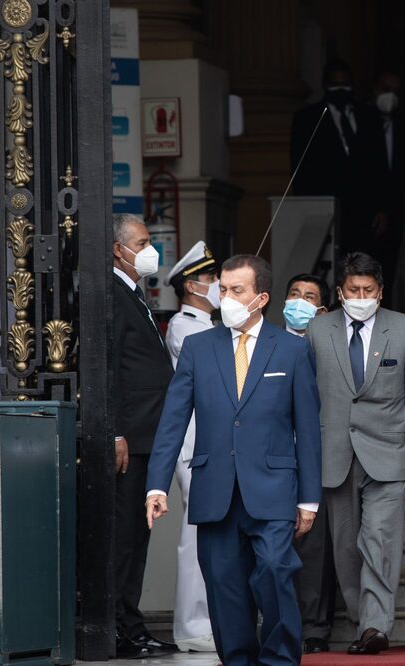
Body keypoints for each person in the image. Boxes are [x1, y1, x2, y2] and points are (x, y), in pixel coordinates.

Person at [145, 254, 322, 666]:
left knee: (277, 570)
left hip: (274, 488)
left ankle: (279, 658)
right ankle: (239, 660)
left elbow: (309, 430)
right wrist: (157, 484)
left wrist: (309, 498)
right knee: (224, 587)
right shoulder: (197, 347)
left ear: (260, 297)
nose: (224, 297)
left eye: (235, 290)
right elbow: (173, 420)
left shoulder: (292, 350)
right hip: (215, 488)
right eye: (222, 288)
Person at [306, 252, 405, 655]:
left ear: (380, 291)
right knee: (346, 548)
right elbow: (304, 398)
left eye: (369, 290)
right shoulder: (317, 329)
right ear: (340, 292)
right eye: (353, 290)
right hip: (334, 454)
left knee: (379, 540)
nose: (361, 296)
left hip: (390, 452)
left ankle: (376, 627)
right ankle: (362, 621)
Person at [110, 213, 178, 659]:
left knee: (140, 536)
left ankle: (132, 626)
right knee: (124, 540)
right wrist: (115, 431)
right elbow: (109, 366)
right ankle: (116, 627)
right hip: (129, 440)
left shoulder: (135, 292)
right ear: (119, 249)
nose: (150, 249)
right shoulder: (113, 294)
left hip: (149, 437)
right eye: (142, 241)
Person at [162, 241, 220, 653]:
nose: (218, 285)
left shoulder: (211, 327)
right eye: (212, 279)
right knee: (196, 532)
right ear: (192, 286)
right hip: (196, 443)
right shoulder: (185, 327)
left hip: (215, 443)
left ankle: (213, 619)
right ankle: (191, 624)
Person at [281, 272, 334, 654]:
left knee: (313, 546)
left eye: (309, 296)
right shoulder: (264, 342)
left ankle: (314, 625)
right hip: (272, 459)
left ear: (322, 309)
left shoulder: (327, 348)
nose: (300, 301)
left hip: (317, 456)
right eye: (294, 294)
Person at [290, 59, 388, 255]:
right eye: (336, 84)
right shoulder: (307, 119)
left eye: (345, 84)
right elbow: (300, 166)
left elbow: (380, 165)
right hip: (326, 209)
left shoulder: (369, 116)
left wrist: (382, 207)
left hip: (364, 210)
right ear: (325, 86)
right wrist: (308, 209)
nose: (341, 89)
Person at [373, 69, 405, 291]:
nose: (390, 96)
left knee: (389, 271)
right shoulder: (362, 122)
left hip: (396, 210)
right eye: (386, 90)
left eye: (395, 91)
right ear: (375, 89)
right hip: (366, 212)